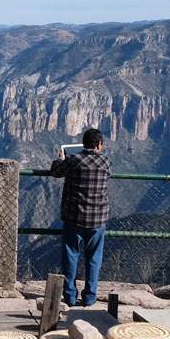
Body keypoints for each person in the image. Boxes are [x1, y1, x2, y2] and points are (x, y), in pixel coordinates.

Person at [49, 127, 110, 308]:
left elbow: (56, 171)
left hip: (73, 218)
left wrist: (60, 159)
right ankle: (90, 297)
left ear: (82, 144)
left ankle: (70, 296)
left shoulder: (74, 160)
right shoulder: (106, 161)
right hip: (97, 219)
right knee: (93, 259)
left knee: (70, 256)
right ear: (99, 145)